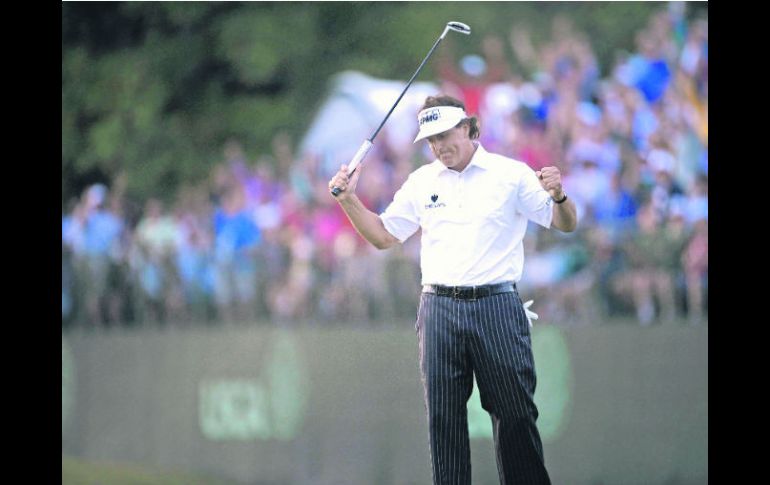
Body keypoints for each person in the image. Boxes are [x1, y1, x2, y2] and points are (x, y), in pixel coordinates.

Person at [329, 94, 577, 485]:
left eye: (445, 135)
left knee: (515, 415)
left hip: (497, 305)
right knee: (444, 421)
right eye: (431, 140)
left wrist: (559, 196)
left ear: (467, 128)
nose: (439, 146)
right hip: (439, 309)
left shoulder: (510, 174)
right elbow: (383, 236)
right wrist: (348, 200)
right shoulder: (422, 181)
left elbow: (564, 223)